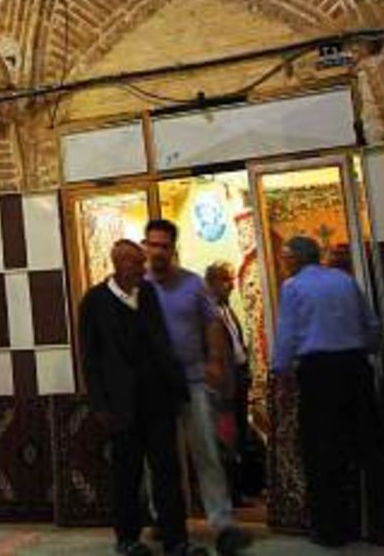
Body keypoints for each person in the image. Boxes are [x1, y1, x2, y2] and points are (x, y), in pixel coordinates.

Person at [273, 236, 384, 548]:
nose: (284, 263)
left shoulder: (292, 288)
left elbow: (287, 335)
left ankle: (332, 528)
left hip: (318, 372)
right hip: (355, 367)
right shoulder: (344, 281)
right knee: (372, 447)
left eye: (285, 258)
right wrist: (365, 352)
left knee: (321, 452)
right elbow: (372, 326)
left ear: (295, 259)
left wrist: (280, 374)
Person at [79, 240, 191, 556]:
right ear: (118, 264)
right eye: (135, 264)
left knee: (166, 470)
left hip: (157, 400)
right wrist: (99, 404)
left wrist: (176, 387)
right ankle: (127, 538)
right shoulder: (95, 301)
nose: (142, 270)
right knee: (127, 474)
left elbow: (162, 342)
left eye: (142, 263)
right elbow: (90, 357)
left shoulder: (149, 295)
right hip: (121, 405)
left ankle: (176, 538)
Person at [142, 218, 248, 553]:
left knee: (206, 451)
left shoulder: (193, 285)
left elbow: (212, 323)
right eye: (152, 244)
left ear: (173, 248)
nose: (157, 251)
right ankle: (163, 519)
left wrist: (217, 360)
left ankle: (222, 523)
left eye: (163, 245)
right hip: (156, 386)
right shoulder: (138, 286)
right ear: (146, 245)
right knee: (157, 458)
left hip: (194, 381)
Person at [204, 261, 256, 502]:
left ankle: (243, 487)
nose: (232, 285)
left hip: (238, 379)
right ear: (212, 283)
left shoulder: (226, 309)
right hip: (221, 386)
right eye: (226, 280)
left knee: (240, 434)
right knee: (225, 437)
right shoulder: (206, 313)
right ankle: (229, 493)